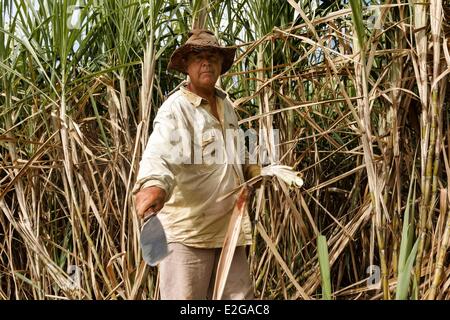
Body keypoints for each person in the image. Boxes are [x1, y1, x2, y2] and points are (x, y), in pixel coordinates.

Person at [133, 29, 261, 300]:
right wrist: (154, 184)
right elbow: (160, 152)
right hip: (188, 235)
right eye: (199, 57)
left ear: (220, 65)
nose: (207, 63)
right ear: (187, 67)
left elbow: (232, 149)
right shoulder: (175, 110)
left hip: (228, 229)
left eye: (212, 57)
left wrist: (251, 169)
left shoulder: (226, 106)